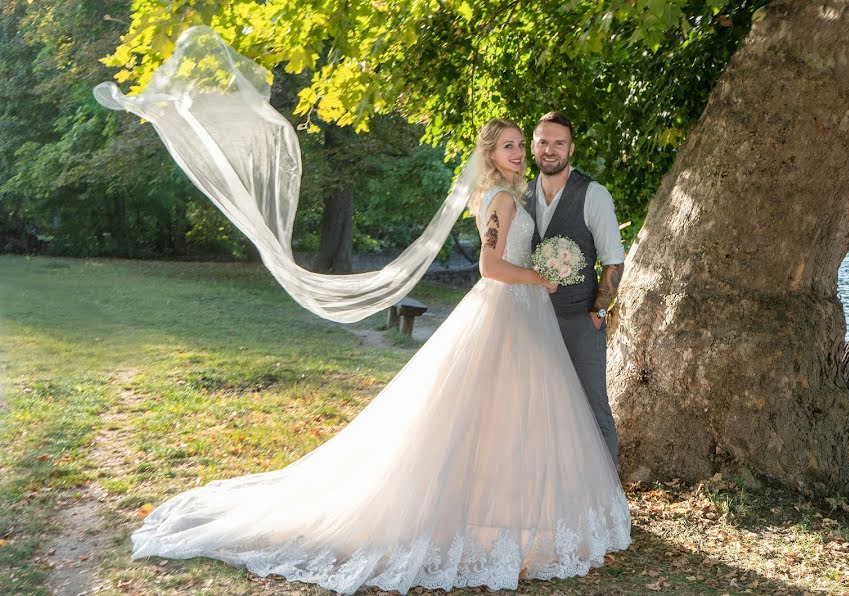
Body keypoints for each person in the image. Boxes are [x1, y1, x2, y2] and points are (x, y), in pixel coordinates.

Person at [130, 118, 631, 595]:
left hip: (527, 317)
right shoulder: (500, 198)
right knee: (477, 416)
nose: (521, 154)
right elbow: (489, 265)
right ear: (491, 155)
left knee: (513, 420)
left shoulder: (518, 195)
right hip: (507, 308)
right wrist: (539, 279)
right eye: (511, 147)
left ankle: (511, 515)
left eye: (523, 146)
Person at [524, 112, 626, 462]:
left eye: (559, 143)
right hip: (531, 324)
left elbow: (614, 260)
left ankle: (609, 506)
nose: (550, 150)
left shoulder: (593, 194)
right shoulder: (520, 195)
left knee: (593, 411)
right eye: (543, 142)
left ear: (571, 148)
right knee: (537, 410)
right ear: (534, 145)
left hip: (580, 321)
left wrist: (598, 314)